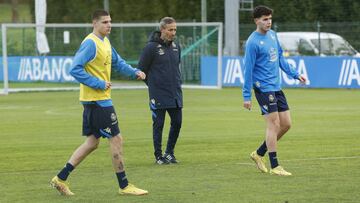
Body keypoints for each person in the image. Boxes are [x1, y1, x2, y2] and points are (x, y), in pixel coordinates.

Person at [50, 10, 148, 196]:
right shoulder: (90, 43)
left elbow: (117, 63)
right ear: (94, 24)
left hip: (97, 100)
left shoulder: (105, 42)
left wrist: (134, 71)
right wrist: (99, 83)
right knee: (116, 139)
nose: (109, 25)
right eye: (104, 22)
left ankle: (60, 178)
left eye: (110, 21)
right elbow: (75, 69)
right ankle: (124, 185)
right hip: (97, 101)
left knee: (92, 143)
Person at [242, 6, 306, 176]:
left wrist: (295, 74)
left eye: (270, 18)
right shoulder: (252, 42)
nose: (268, 22)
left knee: (286, 124)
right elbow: (247, 70)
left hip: (276, 87)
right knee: (273, 124)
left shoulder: (273, 35)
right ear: (256, 21)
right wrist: (246, 95)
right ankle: (275, 165)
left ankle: (258, 153)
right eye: (264, 19)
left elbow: (280, 59)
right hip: (263, 88)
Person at [138, 17, 183, 165]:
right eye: (170, 30)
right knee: (159, 124)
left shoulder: (176, 47)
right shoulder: (151, 47)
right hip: (158, 94)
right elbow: (141, 70)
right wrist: (153, 85)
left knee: (177, 122)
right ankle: (158, 156)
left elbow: (176, 67)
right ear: (162, 30)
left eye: (175, 29)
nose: (173, 32)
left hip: (175, 93)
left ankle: (169, 153)